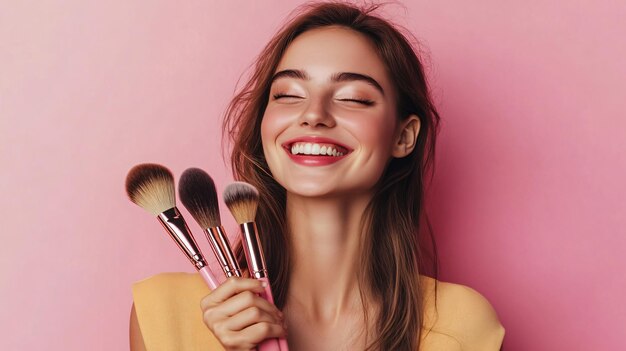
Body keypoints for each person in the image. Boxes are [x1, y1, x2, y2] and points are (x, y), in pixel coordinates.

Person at [130, 2, 506, 350]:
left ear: (403, 136)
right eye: (289, 94)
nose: (314, 114)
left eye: (353, 98)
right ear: (265, 125)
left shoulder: (461, 328)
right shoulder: (165, 314)